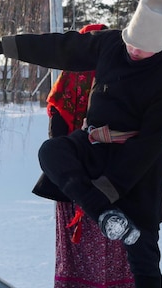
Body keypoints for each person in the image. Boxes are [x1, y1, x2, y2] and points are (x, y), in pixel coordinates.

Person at [0, 0, 162, 288]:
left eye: (140, 49)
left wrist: (108, 188)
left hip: (137, 162)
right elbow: (65, 48)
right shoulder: (111, 43)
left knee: (144, 252)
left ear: (156, 48)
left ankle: (115, 220)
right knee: (52, 151)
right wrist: (14, 45)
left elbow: (146, 148)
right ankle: (106, 216)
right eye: (130, 42)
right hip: (92, 144)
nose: (132, 50)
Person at [33, 23, 135, 288]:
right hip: (110, 185)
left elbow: (55, 143)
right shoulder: (119, 83)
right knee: (113, 256)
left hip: (71, 189)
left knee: (74, 262)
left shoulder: (63, 93)